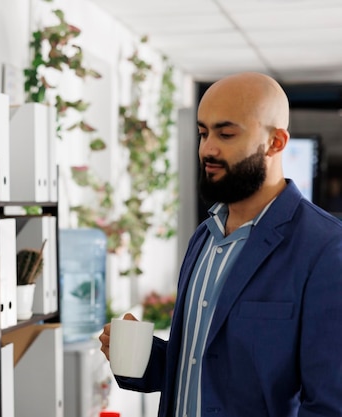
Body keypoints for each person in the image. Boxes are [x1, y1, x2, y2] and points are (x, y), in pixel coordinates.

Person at [99, 72, 342, 416]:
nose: (207, 149)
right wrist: (144, 357)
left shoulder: (326, 249)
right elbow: (203, 366)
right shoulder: (205, 235)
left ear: (276, 142)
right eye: (203, 133)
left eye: (226, 134)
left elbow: (330, 405)